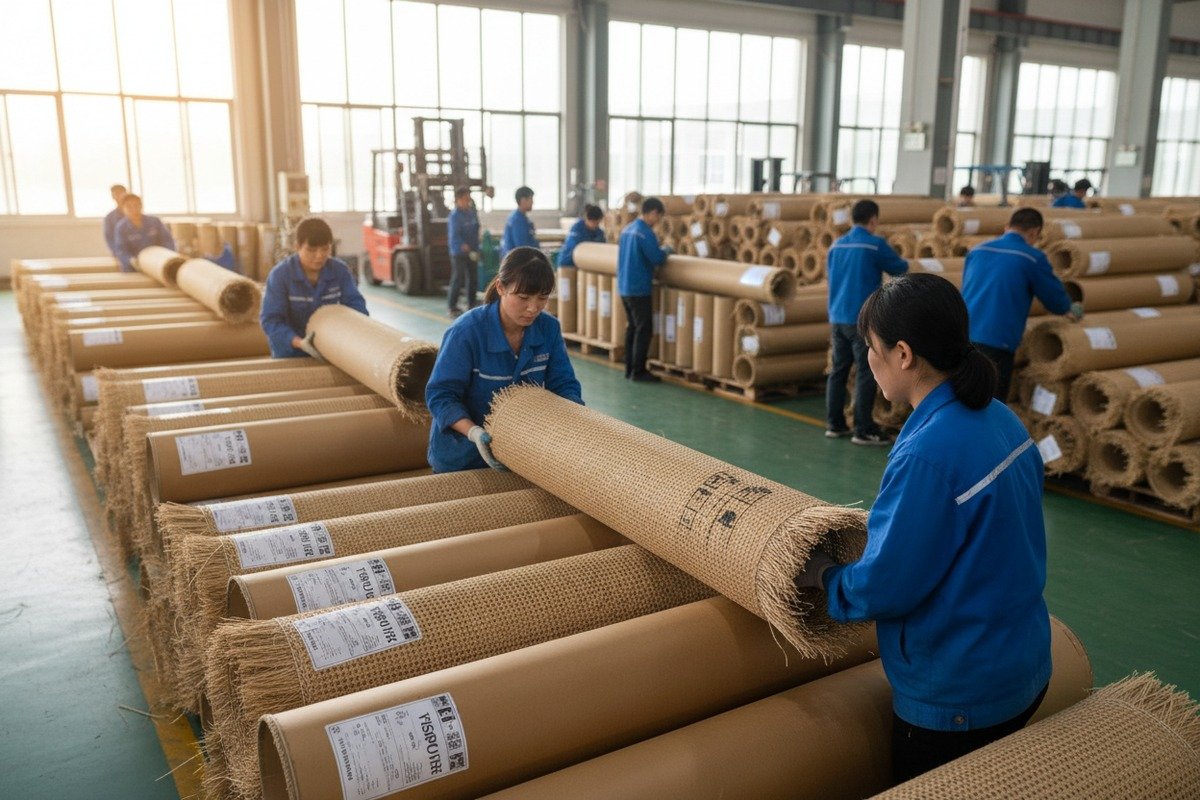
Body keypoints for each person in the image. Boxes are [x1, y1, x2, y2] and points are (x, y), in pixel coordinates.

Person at [796, 272, 1052, 784]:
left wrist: (824, 577)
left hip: (957, 695)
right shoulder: (1003, 419)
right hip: (1022, 662)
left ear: (904, 355)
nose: (868, 361)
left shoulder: (928, 454)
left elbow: (887, 586)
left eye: (872, 349)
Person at [425, 246, 583, 472]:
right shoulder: (467, 332)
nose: (533, 308)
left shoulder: (548, 328)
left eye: (542, 298)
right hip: (463, 454)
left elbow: (563, 384)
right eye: (523, 297)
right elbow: (441, 395)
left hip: (518, 452)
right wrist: (474, 433)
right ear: (500, 287)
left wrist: (575, 421)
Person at [960, 208, 1083, 399]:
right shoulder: (1031, 257)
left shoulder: (977, 250)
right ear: (1034, 232)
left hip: (962, 334)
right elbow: (1052, 297)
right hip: (996, 341)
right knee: (990, 403)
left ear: (1007, 227)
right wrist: (1069, 308)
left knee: (963, 395)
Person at [825, 198, 909, 445]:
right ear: (873, 220)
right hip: (861, 320)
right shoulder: (874, 245)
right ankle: (863, 429)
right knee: (865, 371)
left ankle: (835, 423)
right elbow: (900, 268)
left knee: (838, 370)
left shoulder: (836, 246)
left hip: (837, 317)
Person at [260, 216, 367, 358]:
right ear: (297, 246)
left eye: (325, 249)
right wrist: (299, 342)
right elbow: (271, 320)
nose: (319, 256)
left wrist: (350, 335)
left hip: (330, 349)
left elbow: (356, 307)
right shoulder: (281, 275)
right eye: (312, 250)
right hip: (291, 353)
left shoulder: (339, 271)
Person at [617, 197, 672, 383]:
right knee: (644, 329)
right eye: (658, 217)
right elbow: (656, 258)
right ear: (653, 213)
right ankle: (639, 371)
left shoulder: (627, 229)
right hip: (638, 288)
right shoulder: (644, 233)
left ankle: (629, 368)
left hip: (624, 286)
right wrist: (667, 250)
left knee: (632, 327)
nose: (658, 221)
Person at [112, 194, 175, 273]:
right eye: (129, 207)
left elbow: (168, 241)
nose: (134, 209)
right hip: (134, 268)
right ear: (123, 209)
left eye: (136, 205)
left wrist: (168, 257)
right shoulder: (121, 227)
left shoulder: (155, 222)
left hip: (157, 264)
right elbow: (121, 250)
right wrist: (131, 261)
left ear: (141, 206)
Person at [447, 186, 481, 317]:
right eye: (466, 199)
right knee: (458, 278)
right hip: (459, 253)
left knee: (473, 278)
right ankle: (452, 306)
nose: (468, 201)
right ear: (458, 200)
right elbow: (454, 236)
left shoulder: (472, 213)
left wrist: (476, 247)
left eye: (469, 198)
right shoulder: (454, 216)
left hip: (472, 251)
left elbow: (476, 228)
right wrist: (464, 246)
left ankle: (471, 304)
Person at [501, 186, 538, 258]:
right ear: (523, 200)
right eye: (531, 199)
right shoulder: (517, 220)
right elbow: (522, 248)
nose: (533, 202)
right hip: (517, 262)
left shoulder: (522, 218)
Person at [103, 184, 128, 258]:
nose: (119, 196)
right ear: (112, 197)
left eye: (121, 193)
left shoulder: (136, 214)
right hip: (121, 253)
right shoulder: (110, 218)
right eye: (116, 194)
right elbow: (109, 238)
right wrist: (118, 253)